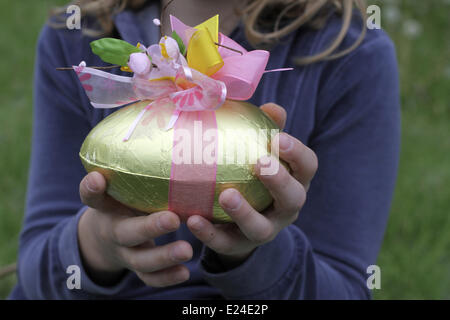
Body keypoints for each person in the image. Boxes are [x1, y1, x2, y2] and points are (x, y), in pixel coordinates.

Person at [9, 0, 400, 299]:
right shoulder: (75, 35)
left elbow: (347, 288)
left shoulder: (350, 56)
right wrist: (97, 244)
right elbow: (35, 276)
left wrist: (253, 253)